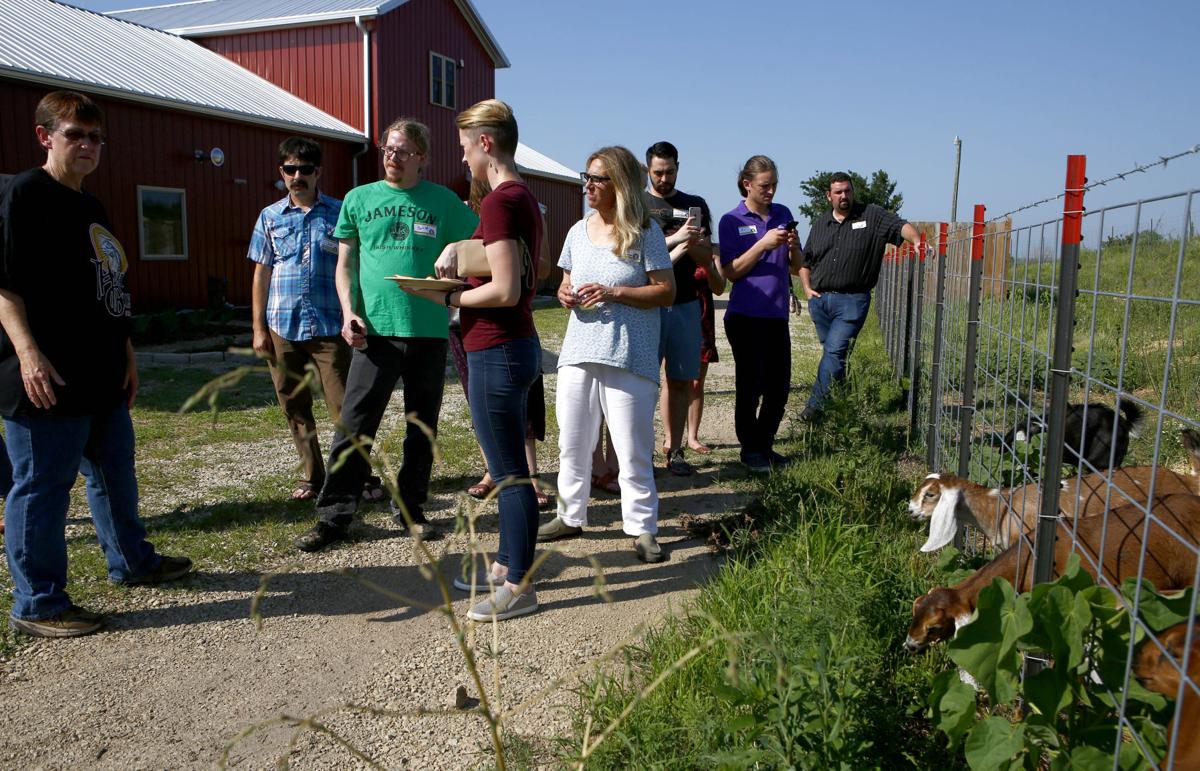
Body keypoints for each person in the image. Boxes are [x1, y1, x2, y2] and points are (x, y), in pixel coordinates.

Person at [0, 90, 192, 638]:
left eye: (95, 137)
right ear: (45, 137)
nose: (87, 146)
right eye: (74, 135)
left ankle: (132, 562)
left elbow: (109, 287)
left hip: (102, 371)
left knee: (113, 474)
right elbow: (4, 285)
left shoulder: (90, 205)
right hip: (47, 376)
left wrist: (126, 354)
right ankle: (38, 603)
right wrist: (28, 354)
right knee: (41, 487)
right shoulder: (23, 194)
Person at [294, 117, 479, 552]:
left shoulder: (444, 201)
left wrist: (455, 250)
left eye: (403, 152)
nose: (393, 158)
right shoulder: (359, 199)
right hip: (374, 330)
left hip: (429, 331)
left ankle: (412, 511)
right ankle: (335, 516)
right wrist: (347, 312)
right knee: (356, 425)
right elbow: (345, 264)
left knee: (421, 426)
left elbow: (481, 242)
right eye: (388, 149)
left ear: (423, 159)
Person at [405, 99, 544, 621]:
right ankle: (509, 564)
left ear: (486, 143)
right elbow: (532, 270)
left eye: (465, 148)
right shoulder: (523, 197)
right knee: (508, 467)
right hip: (515, 346)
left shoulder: (498, 201)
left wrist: (447, 298)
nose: (462, 159)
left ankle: (520, 586)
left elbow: (506, 289)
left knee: (509, 474)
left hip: (498, 348)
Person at [537, 146, 675, 563]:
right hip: (579, 352)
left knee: (632, 447)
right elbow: (564, 282)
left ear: (620, 184)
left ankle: (643, 528)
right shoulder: (578, 231)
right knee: (573, 442)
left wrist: (615, 292)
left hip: (629, 355)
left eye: (598, 178)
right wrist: (563, 293)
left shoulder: (644, 231)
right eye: (587, 177)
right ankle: (570, 516)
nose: (588, 185)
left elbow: (666, 290)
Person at [248, 137, 355, 502]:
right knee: (293, 405)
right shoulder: (269, 217)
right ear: (281, 172)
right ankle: (313, 476)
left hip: (330, 327)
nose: (297, 176)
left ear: (317, 172)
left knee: (344, 407)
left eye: (305, 169)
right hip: (283, 327)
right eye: (290, 169)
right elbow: (261, 273)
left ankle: (357, 477)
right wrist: (259, 329)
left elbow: (354, 267)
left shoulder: (340, 213)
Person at [799, 172, 922, 420]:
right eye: (838, 192)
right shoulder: (820, 223)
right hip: (821, 301)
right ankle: (843, 407)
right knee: (835, 356)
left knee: (834, 351)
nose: (844, 196)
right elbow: (806, 261)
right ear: (828, 196)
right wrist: (806, 288)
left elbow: (900, 226)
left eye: (847, 191)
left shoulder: (872, 216)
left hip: (852, 301)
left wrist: (917, 239)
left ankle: (815, 407)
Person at [718, 155, 802, 474]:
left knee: (779, 386)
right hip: (744, 316)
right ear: (747, 184)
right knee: (750, 385)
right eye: (765, 186)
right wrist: (763, 244)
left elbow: (796, 265)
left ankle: (765, 445)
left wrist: (792, 246)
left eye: (774, 185)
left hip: (775, 315)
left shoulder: (783, 214)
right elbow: (731, 272)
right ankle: (750, 449)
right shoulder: (731, 221)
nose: (771, 192)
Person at [642, 141, 715, 476]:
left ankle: (675, 449)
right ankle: (640, 452)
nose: (664, 178)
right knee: (643, 381)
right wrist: (675, 239)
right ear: (648, 170)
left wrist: (693, 242)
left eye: (669, 171)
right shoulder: (639, 203)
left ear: (678, 168)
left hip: (686, 302)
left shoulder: (694, 205)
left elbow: (706, 257)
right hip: (647, 305)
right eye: (658, 172)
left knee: (682, 379)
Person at [685, 259, 726, 454]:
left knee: (697, 382)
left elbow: (719, 288)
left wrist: (709, 263)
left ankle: (693, 437)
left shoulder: (711, 253)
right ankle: (670, 437)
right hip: (676, 314)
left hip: (703, 319)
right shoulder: (667, 240)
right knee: (671, 381)